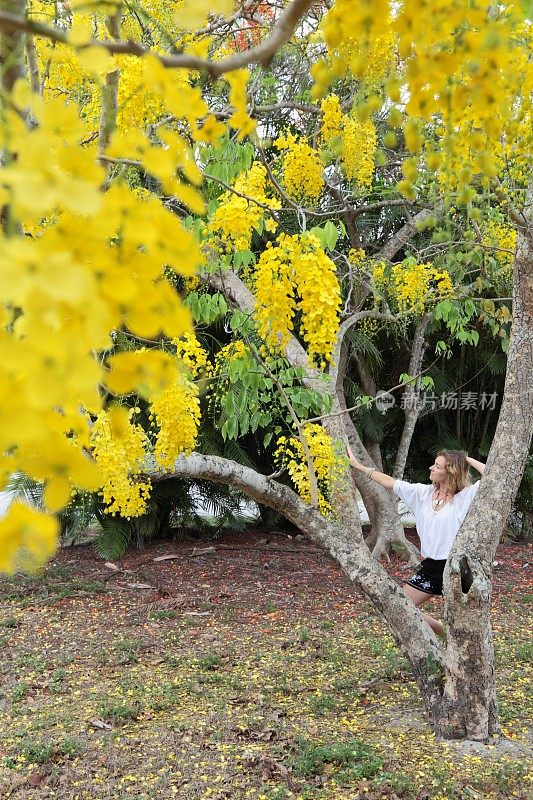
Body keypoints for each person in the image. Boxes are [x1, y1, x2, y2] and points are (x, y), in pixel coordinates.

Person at [346, 445, 486, 635]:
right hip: (430, 568)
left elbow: (492, 477)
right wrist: (358, 466)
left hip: (455, 569)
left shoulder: (464, 497)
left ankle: (459, 642)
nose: (431, 468)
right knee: (399, 605)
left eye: (437, 466)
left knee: (465, 621)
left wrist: (464, 459)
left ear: (450, 472)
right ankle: (443, 633)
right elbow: (389, 482)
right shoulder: (423, 494)